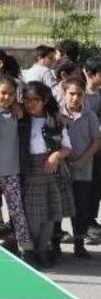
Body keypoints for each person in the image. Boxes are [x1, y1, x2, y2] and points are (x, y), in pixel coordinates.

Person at [18, 81, 71, 268]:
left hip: (52, 172)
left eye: (36, 100)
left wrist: (57, 154)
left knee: (49, 215)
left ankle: (42, 250)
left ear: (45, 100)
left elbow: (67, 148)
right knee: (31, 216)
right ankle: (28, 250)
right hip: (30, 171)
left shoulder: (54, 121)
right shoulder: (20, 120)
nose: (31, 103)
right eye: (27, 99)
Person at [0, 76, 33, 254]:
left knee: (17, 209)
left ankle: (24, 246)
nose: (7, 97)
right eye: (3, 93)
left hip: (11, 170)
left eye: (11, 94)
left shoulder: (16, 113)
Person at [59, 78, 100, 258]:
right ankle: (54, 243)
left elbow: (96, 140)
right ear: (64, 94)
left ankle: (79, 243)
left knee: (80, 209)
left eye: (79, 94)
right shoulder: (56, 115)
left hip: (83, 170)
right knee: (58, 207)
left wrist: (84, 160)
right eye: (71, 94)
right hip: (60, 170)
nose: (75, 98)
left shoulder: (89, 115)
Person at [83, 57, 101, 241]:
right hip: (81, 148)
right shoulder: (80, 93)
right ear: (90, 74)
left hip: (97, 149)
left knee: (95, 186)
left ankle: (90, 220)